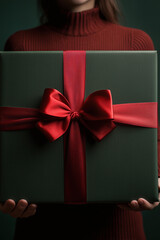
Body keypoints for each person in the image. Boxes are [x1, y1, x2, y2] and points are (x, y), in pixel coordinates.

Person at [1, 0, 160, 239]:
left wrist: (154, 180)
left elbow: (149, 126)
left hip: (119, 230)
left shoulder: (136, 42)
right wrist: (5, 191)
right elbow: (9, 130)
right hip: (40, 229)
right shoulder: (20, 44)